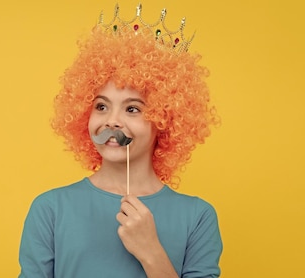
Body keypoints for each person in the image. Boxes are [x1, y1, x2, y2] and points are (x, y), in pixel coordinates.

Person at [18, 4, 223, 278]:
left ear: (165, 119)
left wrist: (151, 252)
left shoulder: (198, 217)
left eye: (132, 109)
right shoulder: (50, 209)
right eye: (101, 106)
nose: (112, 121)